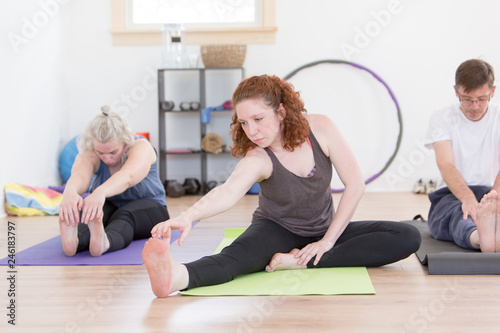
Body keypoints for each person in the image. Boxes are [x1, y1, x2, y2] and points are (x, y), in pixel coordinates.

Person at [142, 75, 421, 297]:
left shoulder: (321, 129)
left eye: (259, 119)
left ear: (281, 111)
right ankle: (177, 276)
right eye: (244, 122)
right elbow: (227, 191)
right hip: (278, 230)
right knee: (233, 260)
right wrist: (188, 216)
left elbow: (355, 185)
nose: (252, 131)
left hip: (325, 229)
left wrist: (326, 242)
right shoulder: (258, 157)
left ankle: (300, 260)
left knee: (406, 236)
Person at [59, 106, 169, 257]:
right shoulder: (90, 153)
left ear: (125, 142)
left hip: (150, 206)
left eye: (113, 152)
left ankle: (105, 242)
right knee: (90, 213)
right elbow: (79, 177)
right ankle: (75, 241)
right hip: (111, 205)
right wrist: (70, 193)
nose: (107, 158)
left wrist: (100, 192)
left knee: (125, 215)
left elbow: (128, 176)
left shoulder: (141, 147)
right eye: (101, 153)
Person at [425, 58, 500, 252]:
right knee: (461, 215)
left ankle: (493, 230)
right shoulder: (442, 117)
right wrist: (467, 199)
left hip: (491, 192)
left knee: (489, 211)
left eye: (482, 99)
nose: (474, 106)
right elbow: (446, 164)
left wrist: (495, 198)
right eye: (467, 99)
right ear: (456, 91)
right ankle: (480, 238)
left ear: (492, 91)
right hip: (452, 194)